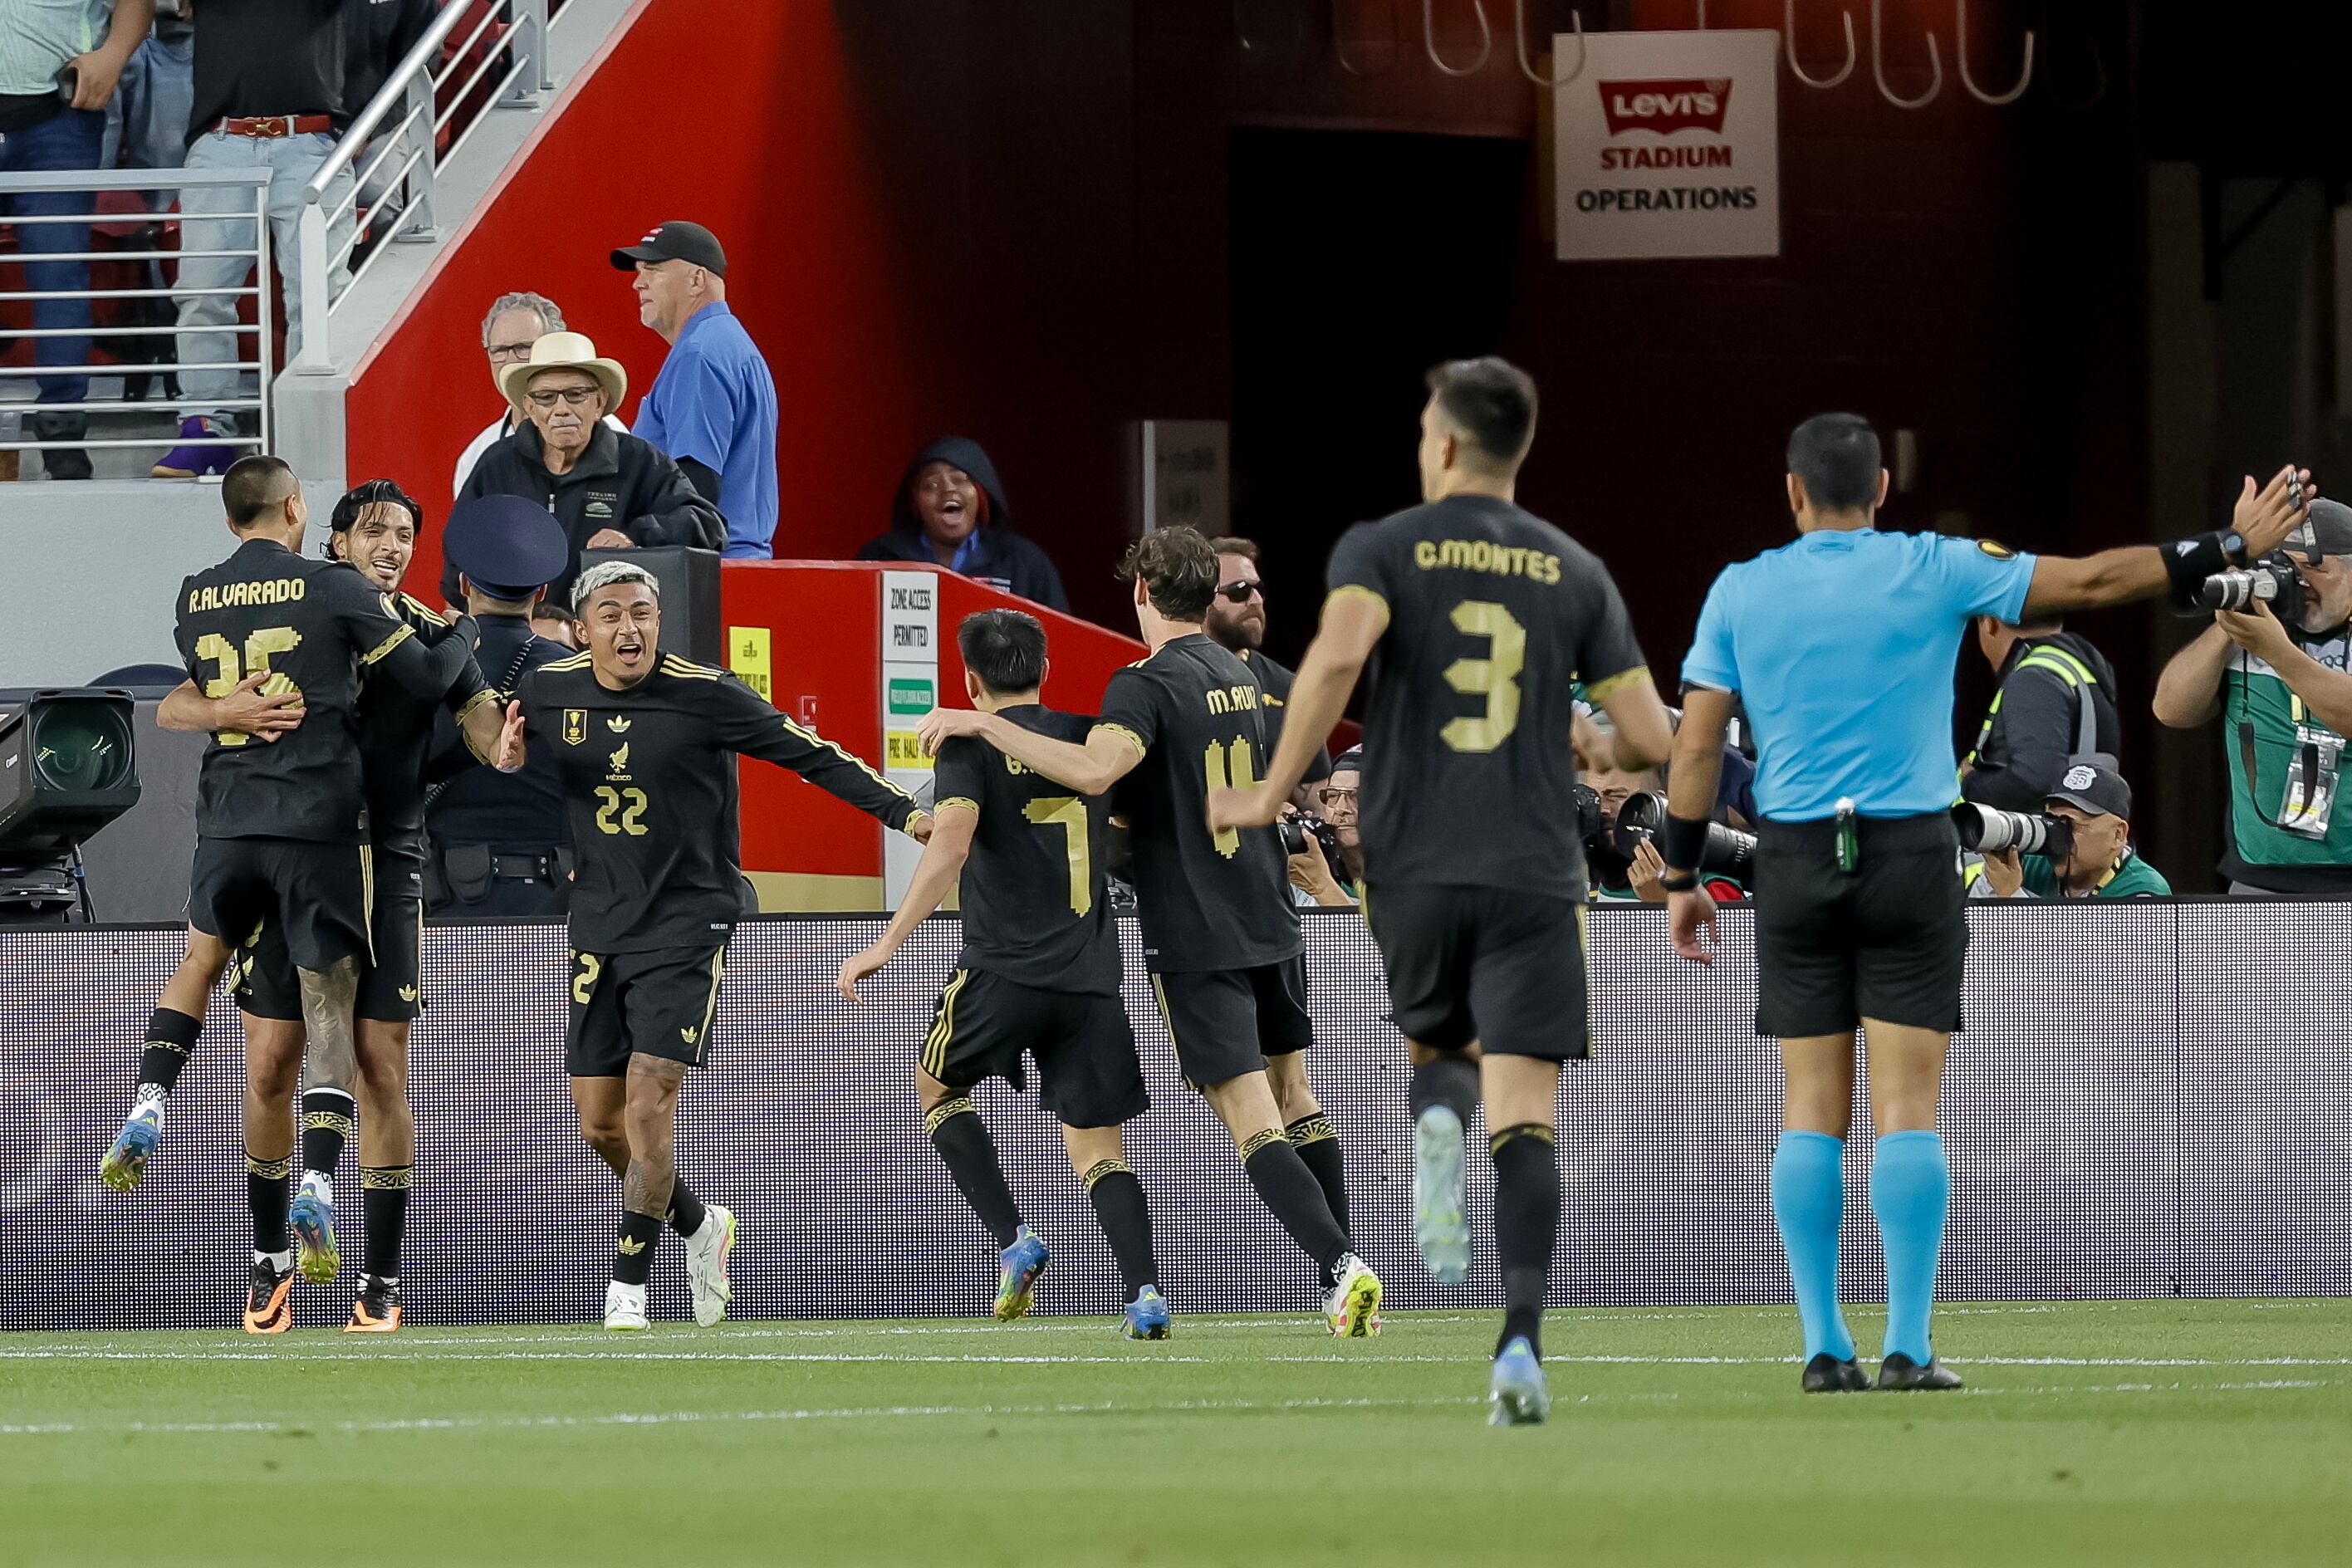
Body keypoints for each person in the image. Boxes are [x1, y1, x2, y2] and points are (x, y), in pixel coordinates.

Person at [1658, 413, 2312, 1395]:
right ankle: (1910, 1346)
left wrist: (1678, 874)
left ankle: (1822, 1347)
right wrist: (2224, 548)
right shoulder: (1934, 564)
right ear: (1883, 486)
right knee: (1907, 1107)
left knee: (1810, 1108)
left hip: (1796, 853)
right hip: (1911, 851)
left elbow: (1698, 747)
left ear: (1792, 493)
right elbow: (2092, 581)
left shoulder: (1741, 590)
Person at [1210, 357, 1677, 1425]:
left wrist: (1272, 788)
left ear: (1452, 444)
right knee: (1531, 1113)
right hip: (1535, 870)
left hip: (1417, 864)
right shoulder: (1574, 567)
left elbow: (1331, 666)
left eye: (1426, 426)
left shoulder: (1383, 547)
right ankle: (1517, 1342)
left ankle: (1435, 1120)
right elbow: (1649, 737)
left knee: (1441, 1054)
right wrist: (1593, 734)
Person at [919, 527, 1381, 1337]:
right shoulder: (1241, 673)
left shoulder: (1142, 681)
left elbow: (1098, 770)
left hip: (1198, 928)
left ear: (1139, 593)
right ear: (1208, 599)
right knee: (1295, 1092)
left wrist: (985, 726)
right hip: (1269, 909)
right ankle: (1339, 1271)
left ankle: (1342, 1267)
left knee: (1250, 1115)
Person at [96, 456, 481, 1335]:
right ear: (317, 522)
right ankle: (289, 1229)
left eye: (404, 534)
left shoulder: (200, 592)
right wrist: (468, 638)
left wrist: (220, 708)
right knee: (290, 1042)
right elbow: (429, 680)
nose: (391, 546)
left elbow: (179, 697)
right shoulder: (332, 593)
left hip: (294, 837)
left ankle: (374, 1279)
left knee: (372, 1060)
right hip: (320, 834)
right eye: (375, 530)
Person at [504, 561, 931, 1330]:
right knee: (599, 1122)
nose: (629, 629)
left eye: (642, 613)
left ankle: (627, 1290)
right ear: (581, 628)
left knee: (647, 1100)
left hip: (690, 919)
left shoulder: (709, 693)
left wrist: (907, 814)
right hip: (599, 924)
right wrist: (493, 753)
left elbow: (812, 753)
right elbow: (481, 734)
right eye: (610, 615)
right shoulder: (547, 688)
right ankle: (701, 1224)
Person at [838, 609, 1170, 1340]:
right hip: (1089, 978)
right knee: (1098, 1147)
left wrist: (886, 943)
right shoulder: (1091, 737)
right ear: (1046, 671)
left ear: (969, 680)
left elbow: (951, 846)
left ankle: (1016, 1239)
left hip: (1001, 972)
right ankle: (1144, 1293)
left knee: (936, 1087)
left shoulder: (967, 743)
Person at [153, 0, 357, 478]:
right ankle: (205, 430)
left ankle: (310, 429)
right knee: (202, 293)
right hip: (222, 139)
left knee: (317, 297)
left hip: (311, 137)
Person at [2153, 498, 2352, 895]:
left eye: (2314, 567)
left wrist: (2279, 652)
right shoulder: (2253, 636)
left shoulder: (2269, 643)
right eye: (2287, 567)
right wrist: (2231, 623)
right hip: (2260, 879)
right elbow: (2171, 710)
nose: (2299, 581)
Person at [449, 331, 724, 613]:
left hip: (604, 638)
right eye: (546, 398)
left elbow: (708, 524)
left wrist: (635, 537)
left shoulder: (639, 461)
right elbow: (458, 551)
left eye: (576, 395)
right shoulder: (498, 464)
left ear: (599, 403)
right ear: (530, 408)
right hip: (520, 634)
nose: (561, 410)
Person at [0, 0, 154, 479]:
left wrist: (113, 54)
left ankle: (62, 433)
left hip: (57, 115)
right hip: (59, 120)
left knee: (59, 274)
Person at [426, 494, 576, 920]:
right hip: (555, 900)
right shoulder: (575, 673)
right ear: (542, 591)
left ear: (463, 586)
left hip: (442, 898)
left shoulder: (422, 661)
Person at [610, 220, 779, 559]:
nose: (637, 283)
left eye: (653, 269)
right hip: (738, 561)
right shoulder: (731, 343)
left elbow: (695, 491)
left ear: (697, 280)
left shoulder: (698, 354)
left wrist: (631, 536)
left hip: (703, 570)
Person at [451, 292, 628, 510]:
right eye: (499, 351)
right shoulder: (476, 456)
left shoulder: (610, 434)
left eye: (524, 348)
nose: (511, 361)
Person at [857, 438, 1068, 611]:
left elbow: (1063, 643)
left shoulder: (1026, 562)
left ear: (981, 493)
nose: (948, 490)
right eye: (931, 485)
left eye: (960, 479)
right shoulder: (879, 557)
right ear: (916, 501)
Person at [1204, 537, 1332, 802]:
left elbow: (1315, 793)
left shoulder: (1288, 688)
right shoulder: (1168, 680)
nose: (1255, 601)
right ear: (1201, 600)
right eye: (1239, 590)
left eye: (1258, 590)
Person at [1961, 612, 2120, 813]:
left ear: (1989, 623)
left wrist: (1970, 784)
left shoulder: (2034, 677)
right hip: (2077, 836)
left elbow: (2035, 779)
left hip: (2045, 842)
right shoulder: (2073, 667)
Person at [1967, 763, 2170, 900]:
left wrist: (2012, 897)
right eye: (2052, 821)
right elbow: (1968, 938)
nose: (2057, 836)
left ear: (2117, 835)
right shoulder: (2023, 864)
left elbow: (2092, 963)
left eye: (2069, 824)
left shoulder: (2142, 891)